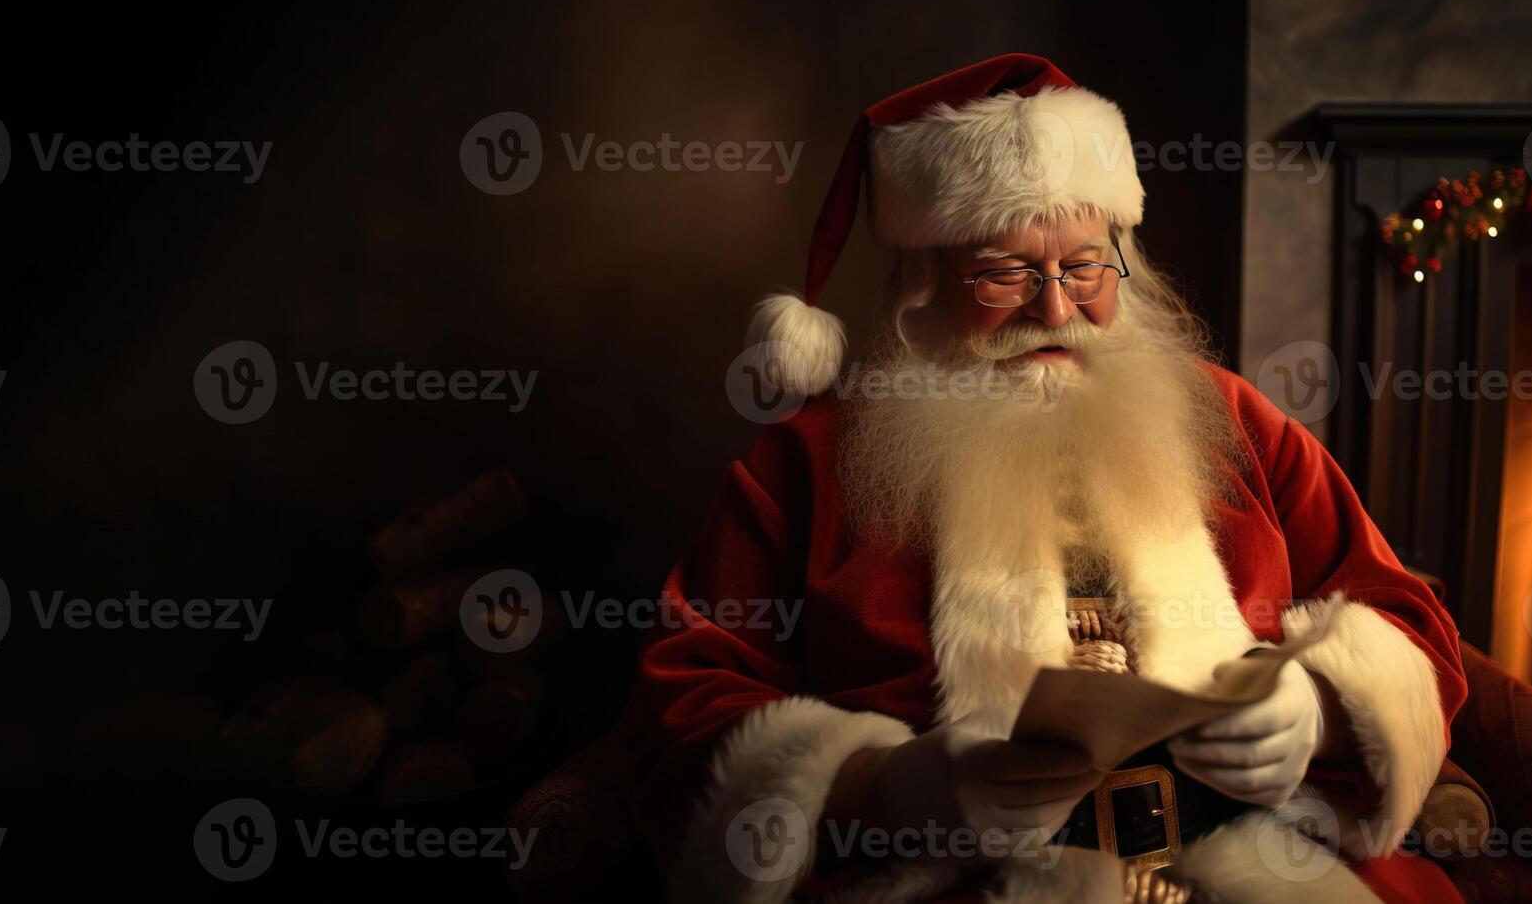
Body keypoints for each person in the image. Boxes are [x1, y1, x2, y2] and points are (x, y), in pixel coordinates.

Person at [619, 54, 1466, 903]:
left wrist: (1316, 711)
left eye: (1086, 266)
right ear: (923, 280)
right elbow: (681, 700)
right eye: (1004, 270)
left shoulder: (1235, 419)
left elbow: (1402, 613)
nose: (1054, 308)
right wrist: (877, 786)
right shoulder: (809, 458)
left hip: (1257, 860)